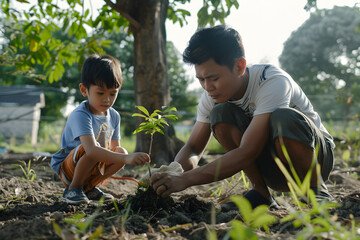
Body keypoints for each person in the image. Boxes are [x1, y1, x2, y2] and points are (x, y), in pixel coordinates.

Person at [150, 25, 335, 209]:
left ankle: (316, 190)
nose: (207, 87)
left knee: (283, 117)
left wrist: (187, 179)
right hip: (273, 167)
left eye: (213, 78)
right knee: (221, 113)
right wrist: (170, 174)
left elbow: (248, 151)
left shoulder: (272, 81)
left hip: (316, 158)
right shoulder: (211, 96)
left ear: (239, 66)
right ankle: (261, 193)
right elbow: (193, 147)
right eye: (201, 79)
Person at [51, 54, 150, 204]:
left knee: (120, 151)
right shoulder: (81, 114)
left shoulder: (114, 116)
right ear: (84, 90)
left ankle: (89, 187)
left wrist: (124, 157)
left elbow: (114, 148)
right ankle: (73, 188)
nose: (107, 99)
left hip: (94, 165)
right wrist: (126, 159)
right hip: (69, 168)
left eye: (112, 93)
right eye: (100, 93)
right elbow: (90, 150)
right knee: (94, 148)